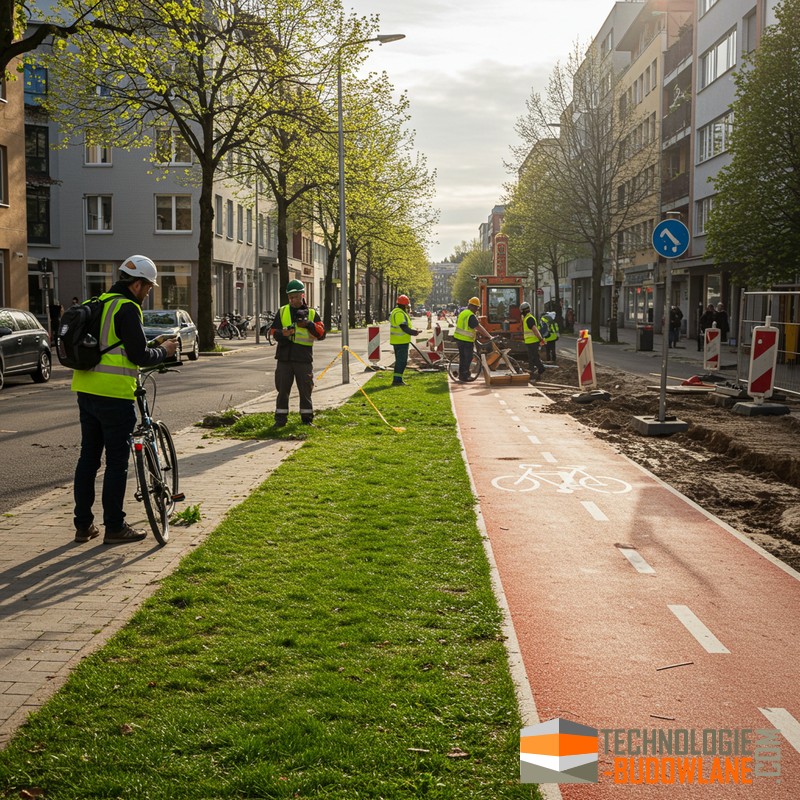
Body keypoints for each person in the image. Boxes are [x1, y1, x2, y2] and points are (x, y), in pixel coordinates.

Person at [72, 255, 179, 545]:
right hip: (115, 395)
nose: (148, 293)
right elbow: (138, 356)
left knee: (88, 459)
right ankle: (115, 527)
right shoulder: (127, 307)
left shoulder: (100, 302)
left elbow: (113, 344)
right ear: (136, 284)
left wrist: (149, 344)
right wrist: (165, 351)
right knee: (117, 462)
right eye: (148, 288)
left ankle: (83, 526)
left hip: (85, 389)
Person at [271, 279, 325, 426]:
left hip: (303, 359)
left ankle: (307, 420)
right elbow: (274, 332)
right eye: (290, 297)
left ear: (302, 295)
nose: (292, 299)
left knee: (305, 391)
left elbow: (321, 334)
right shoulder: (282, 311)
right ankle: (280, 420)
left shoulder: (312, 314)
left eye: (295, 296)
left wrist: (309, 324)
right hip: (284, 358)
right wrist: (284, 334)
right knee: (282, 391)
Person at [453, 297, 491, 382]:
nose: (477, 310)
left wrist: (475, 333)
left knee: (463, 358)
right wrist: (489, 336)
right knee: (468, 358)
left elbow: (466, 326)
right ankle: (465, 375)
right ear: (472, 306)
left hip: (459, 339)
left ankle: (462, 375)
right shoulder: (470, 315)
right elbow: (478, 327)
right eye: (477, 308)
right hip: (466, 340)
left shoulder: (463, 313)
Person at [389, 294, 421, 386]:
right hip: (401, 341)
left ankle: (397, 379)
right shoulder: (399, 313)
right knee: (401, 361)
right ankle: (397, 380)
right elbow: (404, 327)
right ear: (405, 305)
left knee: (400, 361)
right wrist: (414, 332)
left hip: (398, 341)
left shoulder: (396, 312)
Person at [519, 302, 545, 383]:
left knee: (534, 358)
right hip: (530, 342)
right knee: (532, 358)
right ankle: (534, 374)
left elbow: (535, 329)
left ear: (523, 311)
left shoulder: (529, 318)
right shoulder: (527, 318)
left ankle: (540, 370)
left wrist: (541, 339)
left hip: (533, 342)